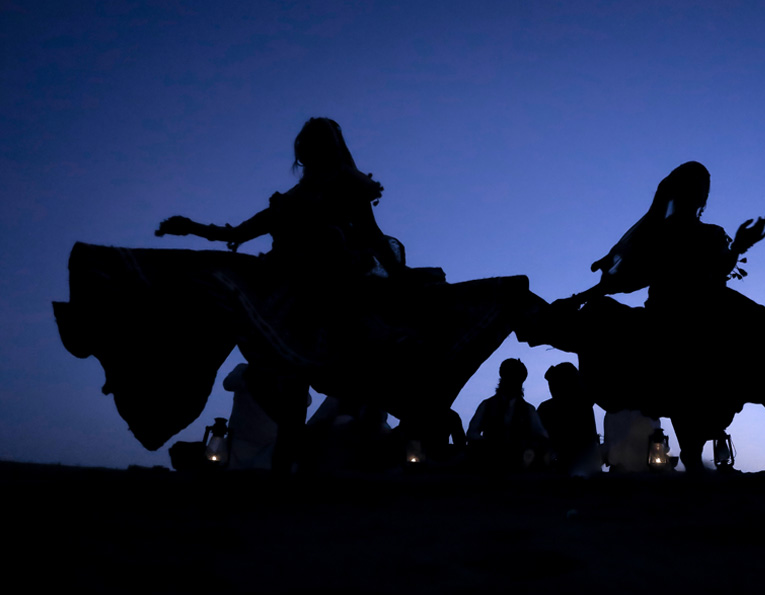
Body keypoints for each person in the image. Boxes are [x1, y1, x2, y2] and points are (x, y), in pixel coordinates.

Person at [54, 118, 536, 465]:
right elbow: (238, 233)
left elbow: (369, 235)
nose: (306, 152)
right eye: (303, 147)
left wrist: (400, 274)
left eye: (313, 145)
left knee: (341, 362)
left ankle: (316, 453)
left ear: (327, 147)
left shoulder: (347, 185)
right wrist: (192, 228)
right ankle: (116, 330)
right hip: (283, 286)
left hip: (333, 290)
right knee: (215, 289)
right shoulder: (290, 200)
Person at [532, 162, 765, 471]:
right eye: (696, 190)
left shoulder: (711, 233)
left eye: (703, 191)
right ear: (676, 194)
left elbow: (717, 271)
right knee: (723, 370)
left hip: (711, 308)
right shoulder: (658, 236)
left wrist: (738, 246)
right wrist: (580, 298)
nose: (700, 197)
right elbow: (625, 281)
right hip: (678, 315)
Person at [467, 359, 548, 471]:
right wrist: (487, 444)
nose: (512, 382)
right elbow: (472, 433)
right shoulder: (487, 405)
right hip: (490, 459)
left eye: (515, 378)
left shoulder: (528, 410)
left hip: (520, 461)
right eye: (510, 377)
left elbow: (541, 436)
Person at [537, 362, 601, 476]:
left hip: (560, 470)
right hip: (581, 469)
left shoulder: (547, 407)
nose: (550, 388)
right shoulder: (584, 404)